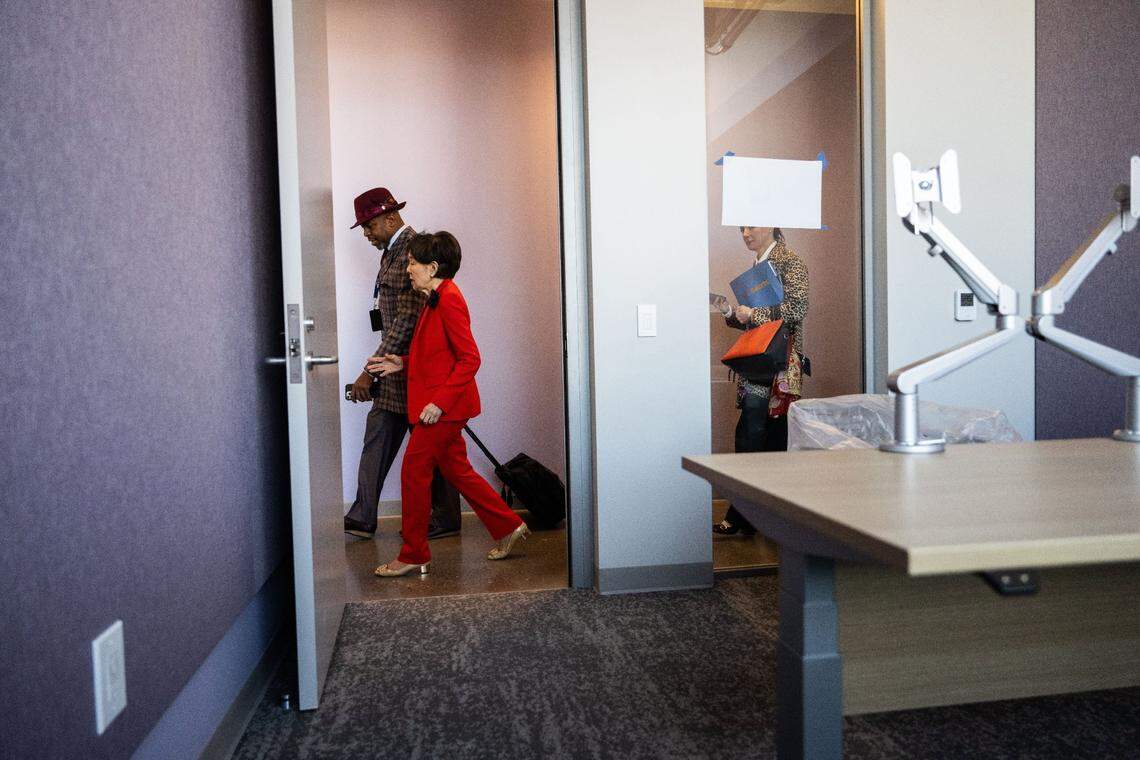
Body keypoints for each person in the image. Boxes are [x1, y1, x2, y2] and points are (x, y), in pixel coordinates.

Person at [369, 231, 529, 577]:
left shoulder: (451, 299)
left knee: (413, 471)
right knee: (458, 470)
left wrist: (439, 403)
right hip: (441, 405)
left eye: (413, 262)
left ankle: (413, 553)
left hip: (443, 409)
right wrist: (402, 362)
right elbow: (437, 355)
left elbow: (470, 359)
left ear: (433, 266)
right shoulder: (435, 297)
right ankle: (508, 525)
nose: (408, 268)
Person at [342, 187, 461, 541]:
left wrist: (370, 369)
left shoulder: (412, 250)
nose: (365, 233)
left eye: (369, 225)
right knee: (379, 434)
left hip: (414, 368)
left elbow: (408, 318)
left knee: (428, 445)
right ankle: (363, 516)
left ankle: (444, 517)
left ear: (390, 217)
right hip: (396, 366)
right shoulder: (391, 252)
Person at [714, 225, 809, 536]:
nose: (745, 233)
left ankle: (753, 513)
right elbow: (756, 319)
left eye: (751, 226)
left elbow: (796, 309)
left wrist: (751, 314)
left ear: (770, 225)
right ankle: (755, 514)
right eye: (741, 228)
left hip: (779, 362)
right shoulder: (758, 265)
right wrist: (732, 312)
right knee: (758, 433)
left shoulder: (789, 260)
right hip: (760, 360)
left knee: (762, 434)